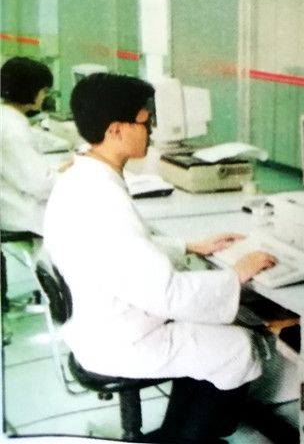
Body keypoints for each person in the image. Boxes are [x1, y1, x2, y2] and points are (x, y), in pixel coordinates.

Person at [43, 73, 276, 444]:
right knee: (239, 347)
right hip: (120, 341)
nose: (151, 130)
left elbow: (120, 251)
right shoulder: (103, 199)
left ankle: (173, 434)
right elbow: (165, 294)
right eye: (145, 120)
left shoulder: (81, 177)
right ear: (116, 129)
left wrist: (188, 246)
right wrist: (235, 276)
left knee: (208, 335)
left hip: (97, 324)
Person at [0, 56, 58, 235]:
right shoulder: (13, 129)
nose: (45, 96)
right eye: (43, 90)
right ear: (31, 90)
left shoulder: (6, 117)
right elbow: (40, 185)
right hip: (21, 214)